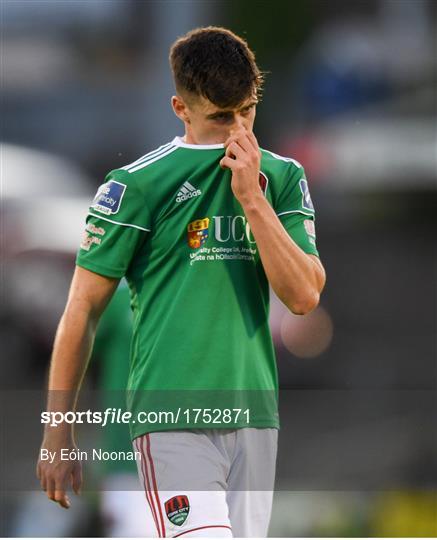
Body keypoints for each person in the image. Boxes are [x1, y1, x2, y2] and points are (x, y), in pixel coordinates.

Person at [37, 26, 326, 538]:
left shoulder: (280, 178)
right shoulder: (136, 186)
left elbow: (303, 296)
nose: (238, 131)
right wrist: (58, 436)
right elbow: (81, 312)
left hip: (255, 417)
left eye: (248, 111)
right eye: (220, 116)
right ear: (181, 108)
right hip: (172, 419)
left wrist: (252, 201)